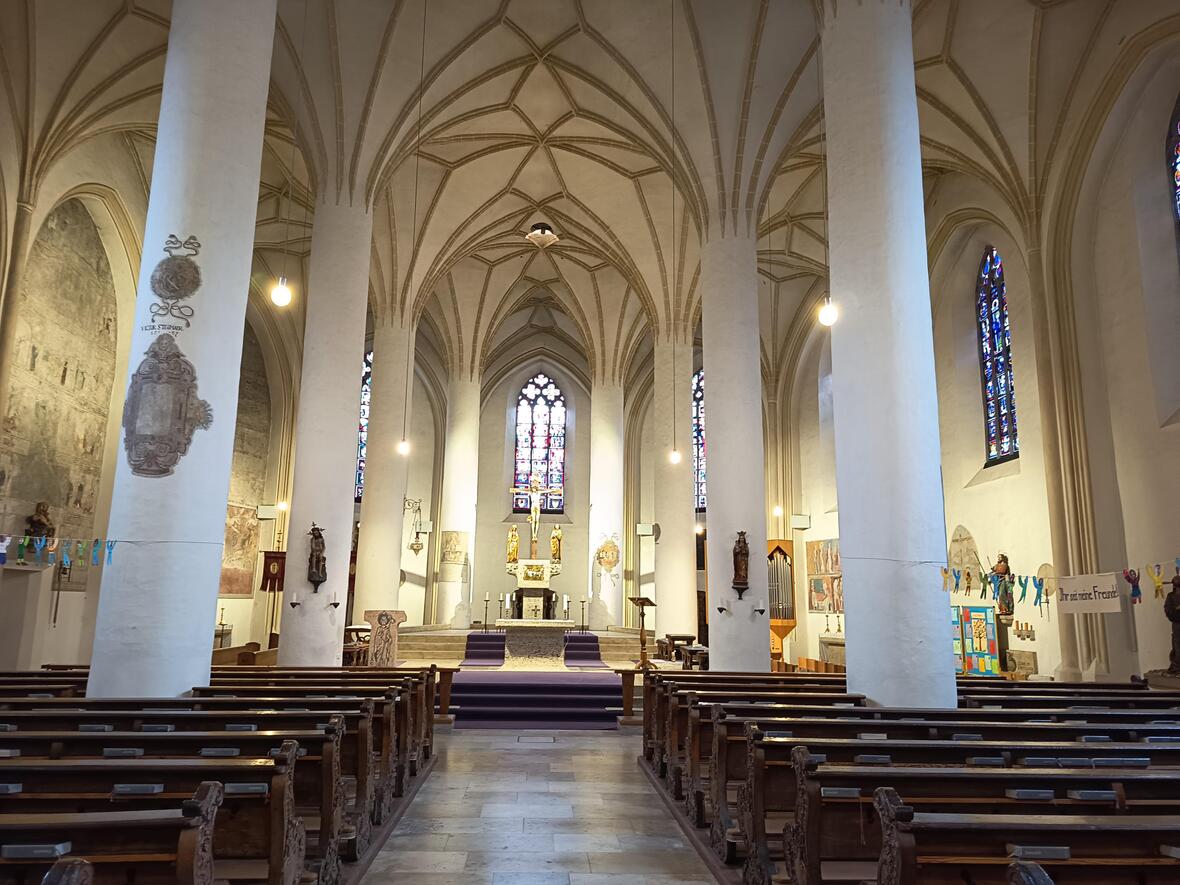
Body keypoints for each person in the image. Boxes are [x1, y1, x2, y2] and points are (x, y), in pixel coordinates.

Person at [1165, 575, 1180, 674]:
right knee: (1177, 644)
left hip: (1176, 623)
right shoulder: (1171, 596)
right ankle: (1177, 665)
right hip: (1177, 623)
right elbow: (1168, 610)